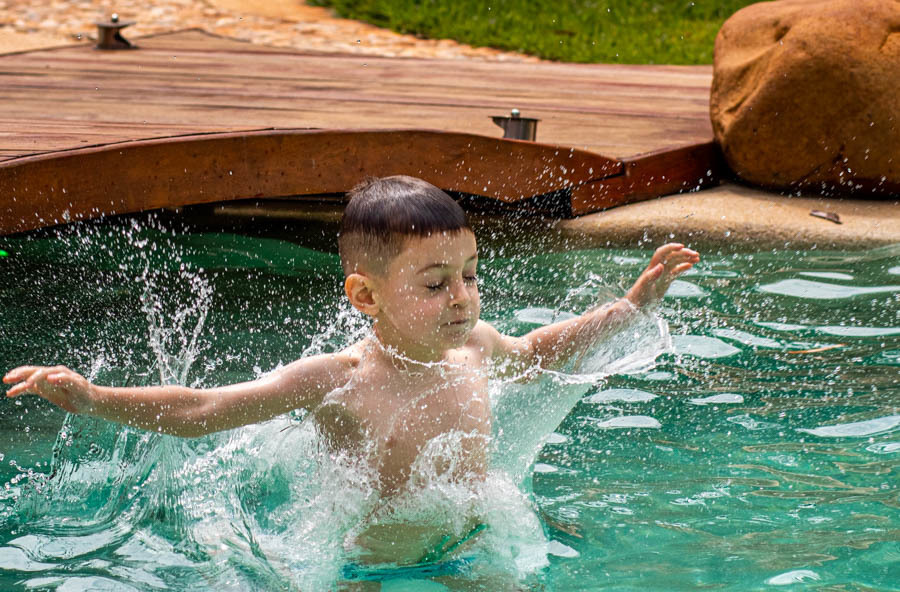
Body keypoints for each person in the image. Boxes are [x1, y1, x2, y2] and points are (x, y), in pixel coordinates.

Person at [3, 175, 699, 583]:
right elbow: (207, 408)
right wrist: (94, 398)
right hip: (367, 561)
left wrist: (627, 308)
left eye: (470, 276)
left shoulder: (476, 346)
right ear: (365, 297)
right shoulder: (338, 382)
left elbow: (543, 349)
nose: (462, 298)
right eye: (435, 284)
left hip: (471, 534)